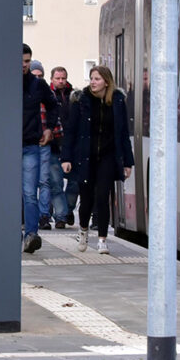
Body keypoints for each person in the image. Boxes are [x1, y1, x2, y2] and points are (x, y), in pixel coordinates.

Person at [61, 65, 135, 255]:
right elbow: (71, 131)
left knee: (103, 197)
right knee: (86, 200)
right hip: (86, 156)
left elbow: (123, 133)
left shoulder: (117, 102)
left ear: (106, 82)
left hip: (108, 157)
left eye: (97, 79)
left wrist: (128, 162)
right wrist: (66, 158)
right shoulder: (81, 101)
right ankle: (83, 229)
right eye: (91, 78)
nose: (93, 82)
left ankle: (102, 239)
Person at [21, 44, 58, 253]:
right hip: (9, 145)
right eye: (21, 61)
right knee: (11, 192)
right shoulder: (5, 81)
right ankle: (13, 231)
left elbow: (53, 105)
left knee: (29, 192)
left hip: (30, 144)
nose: (24, 65)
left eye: (27, 61)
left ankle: (31, 235)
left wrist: (49, 129)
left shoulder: (38, 84)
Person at [29, 60, 54, 231]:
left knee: (44, 180)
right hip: (29, 140)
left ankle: (44, 215)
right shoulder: (26, 91)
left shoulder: (45, 92)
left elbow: (54, 109)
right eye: (35, 75)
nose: (38, 78)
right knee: (29, 183)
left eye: (40, 75)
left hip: (43, 142)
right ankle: (29, 216)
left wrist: (49, 131)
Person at [49, 67, 75, 228]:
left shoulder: (74, 96)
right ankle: (60, 217)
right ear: (52, 79)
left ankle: (66, 210)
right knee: (56, 183)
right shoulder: (48, 95)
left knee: (75, 183)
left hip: (71, 145)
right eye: (57, 78)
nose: (60, 81)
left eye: (63, 78)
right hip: (53, 146)